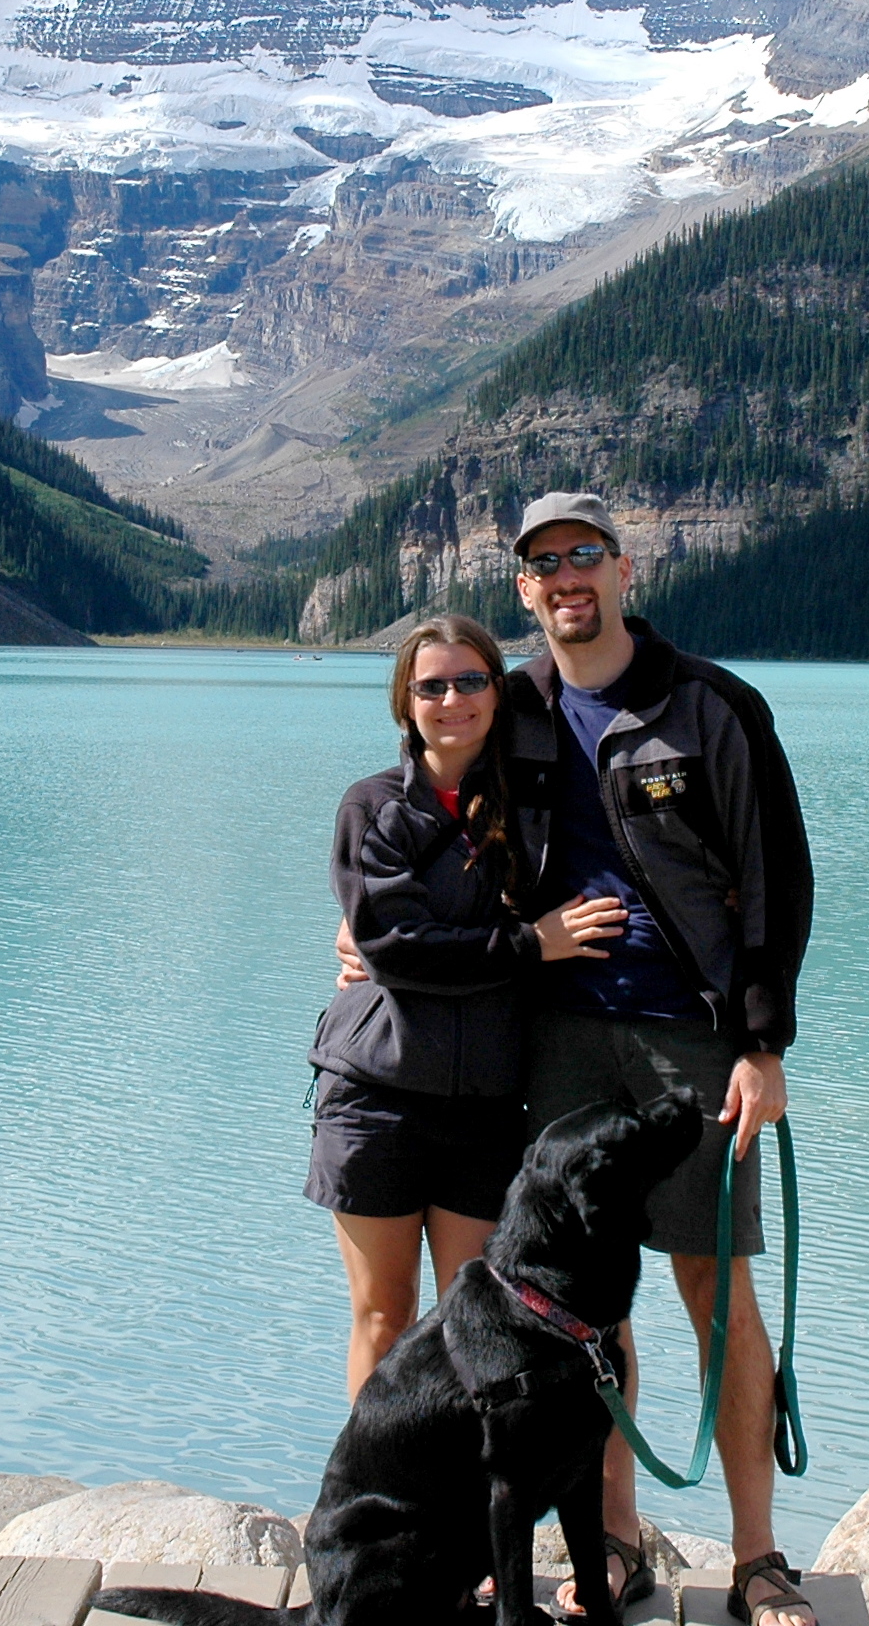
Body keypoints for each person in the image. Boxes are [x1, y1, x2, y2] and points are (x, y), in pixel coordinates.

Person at [339, 496, 817, 1626]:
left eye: (583, 556)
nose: (566, 577)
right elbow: (426, 805)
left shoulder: (711, 705)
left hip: (690, 1035)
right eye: (543, 562)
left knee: (714, 1290)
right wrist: (365, 925)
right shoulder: (514, 706)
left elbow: (777, 877)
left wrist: (762, 1042)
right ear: (523, 588)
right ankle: (609, 1538)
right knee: (577, 1311)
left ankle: (757, 1559)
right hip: (549, 1037)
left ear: (622, 568)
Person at [307, 613, 630, 1397]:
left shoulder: (535, 809)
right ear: (404, 701)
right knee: (383, 1316)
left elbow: (623, 873)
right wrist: (529, 945)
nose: (452, 699)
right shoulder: (372, 807)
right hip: (374, 1098)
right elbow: (398, 950)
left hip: (485, 1108)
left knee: (478, 1325)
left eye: (470, 680)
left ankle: (468, 1479)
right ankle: (379, 1476)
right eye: (431, 686)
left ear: (496, 691)